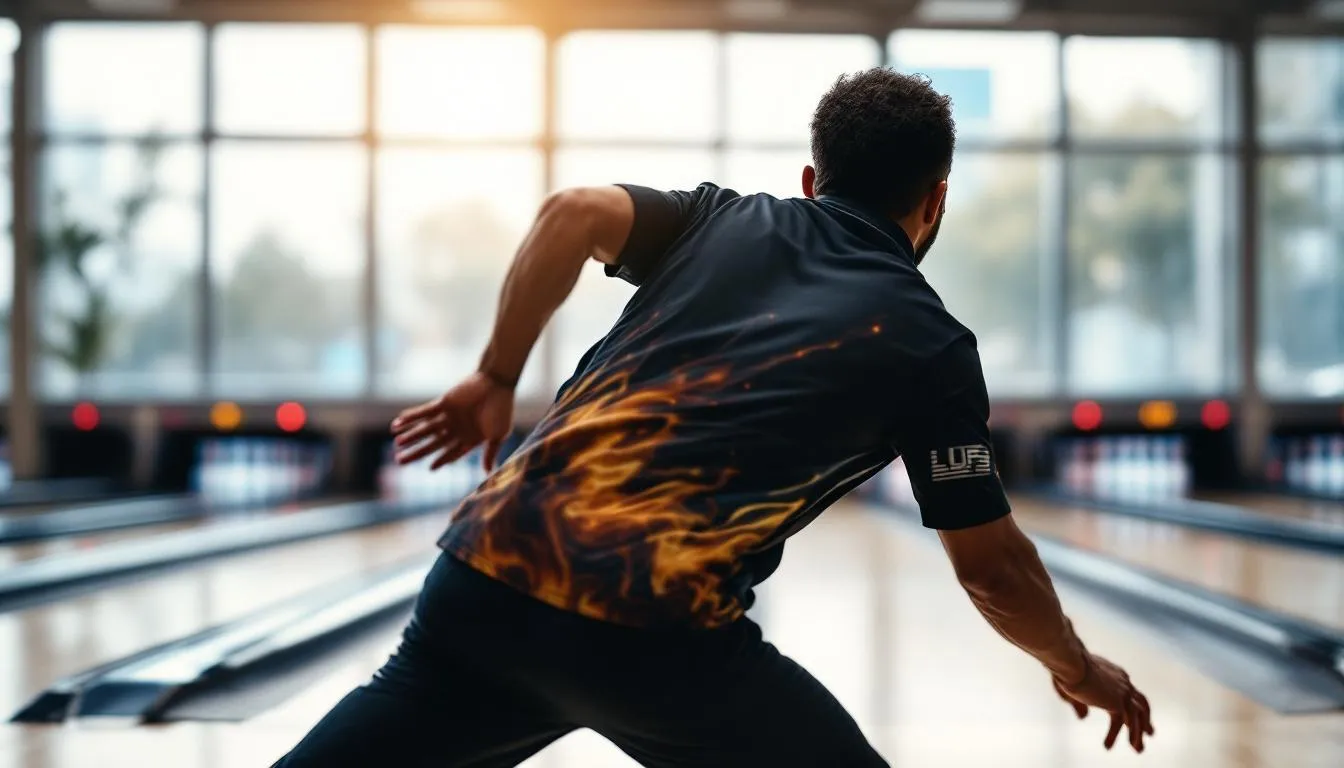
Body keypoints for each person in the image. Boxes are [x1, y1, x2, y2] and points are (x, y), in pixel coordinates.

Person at [273, 68, 1153, 768]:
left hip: (486, 582)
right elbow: (993, 570)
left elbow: (572, 212)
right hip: (649, 642)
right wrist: (1079, 668)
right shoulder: (930, 347)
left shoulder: (718, 220)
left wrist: (495, 375)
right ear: (937, 201)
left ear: (812, 179)